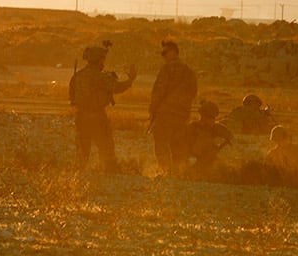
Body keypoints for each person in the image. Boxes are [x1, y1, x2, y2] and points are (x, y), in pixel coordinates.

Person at [69, 42, 137, 172]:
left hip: (81, 117)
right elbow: (117, 87)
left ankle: (78, 176)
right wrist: (130, 80)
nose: (103, 62)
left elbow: (72, 97)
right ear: (98, 59)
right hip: (97, 118)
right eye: (102, 59)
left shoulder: (78, 75)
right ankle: (109, 176)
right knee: (106, 149)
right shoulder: (99, 77)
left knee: (82, 150)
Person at [147, 40, 197, 173]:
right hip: (182, 114)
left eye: (165, 52)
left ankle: (165, 171)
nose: (163, 56)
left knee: (162, 144)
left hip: (165, 114)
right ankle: (179, 172)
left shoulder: (167, 69)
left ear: (174, 52)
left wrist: (153, 110)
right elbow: (193, 92)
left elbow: (158, 91)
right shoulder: (188, 70)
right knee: (178, 145)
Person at [183, 99, 232, 175]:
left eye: (211, 117)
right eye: (207, 116)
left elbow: (230, 138)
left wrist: (218, 147)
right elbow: (184, 144)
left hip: (210, 160)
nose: (208, 120)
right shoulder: (193, 127)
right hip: (194, 159)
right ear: (202, 115)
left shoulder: (218, 128)